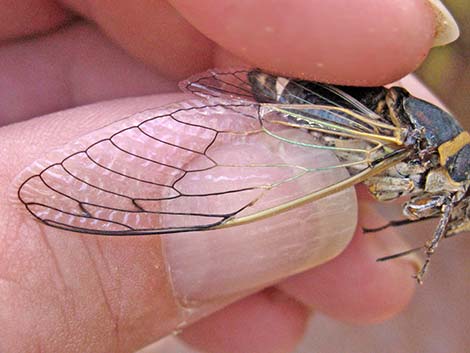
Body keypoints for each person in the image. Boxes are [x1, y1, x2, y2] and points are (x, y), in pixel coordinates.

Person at [0, 1, 459, 352]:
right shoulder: (417, 150)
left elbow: (402, 194)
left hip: (326, 100)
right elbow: (399, 192)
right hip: (322, 109)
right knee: (240, 193)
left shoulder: (431, 161)